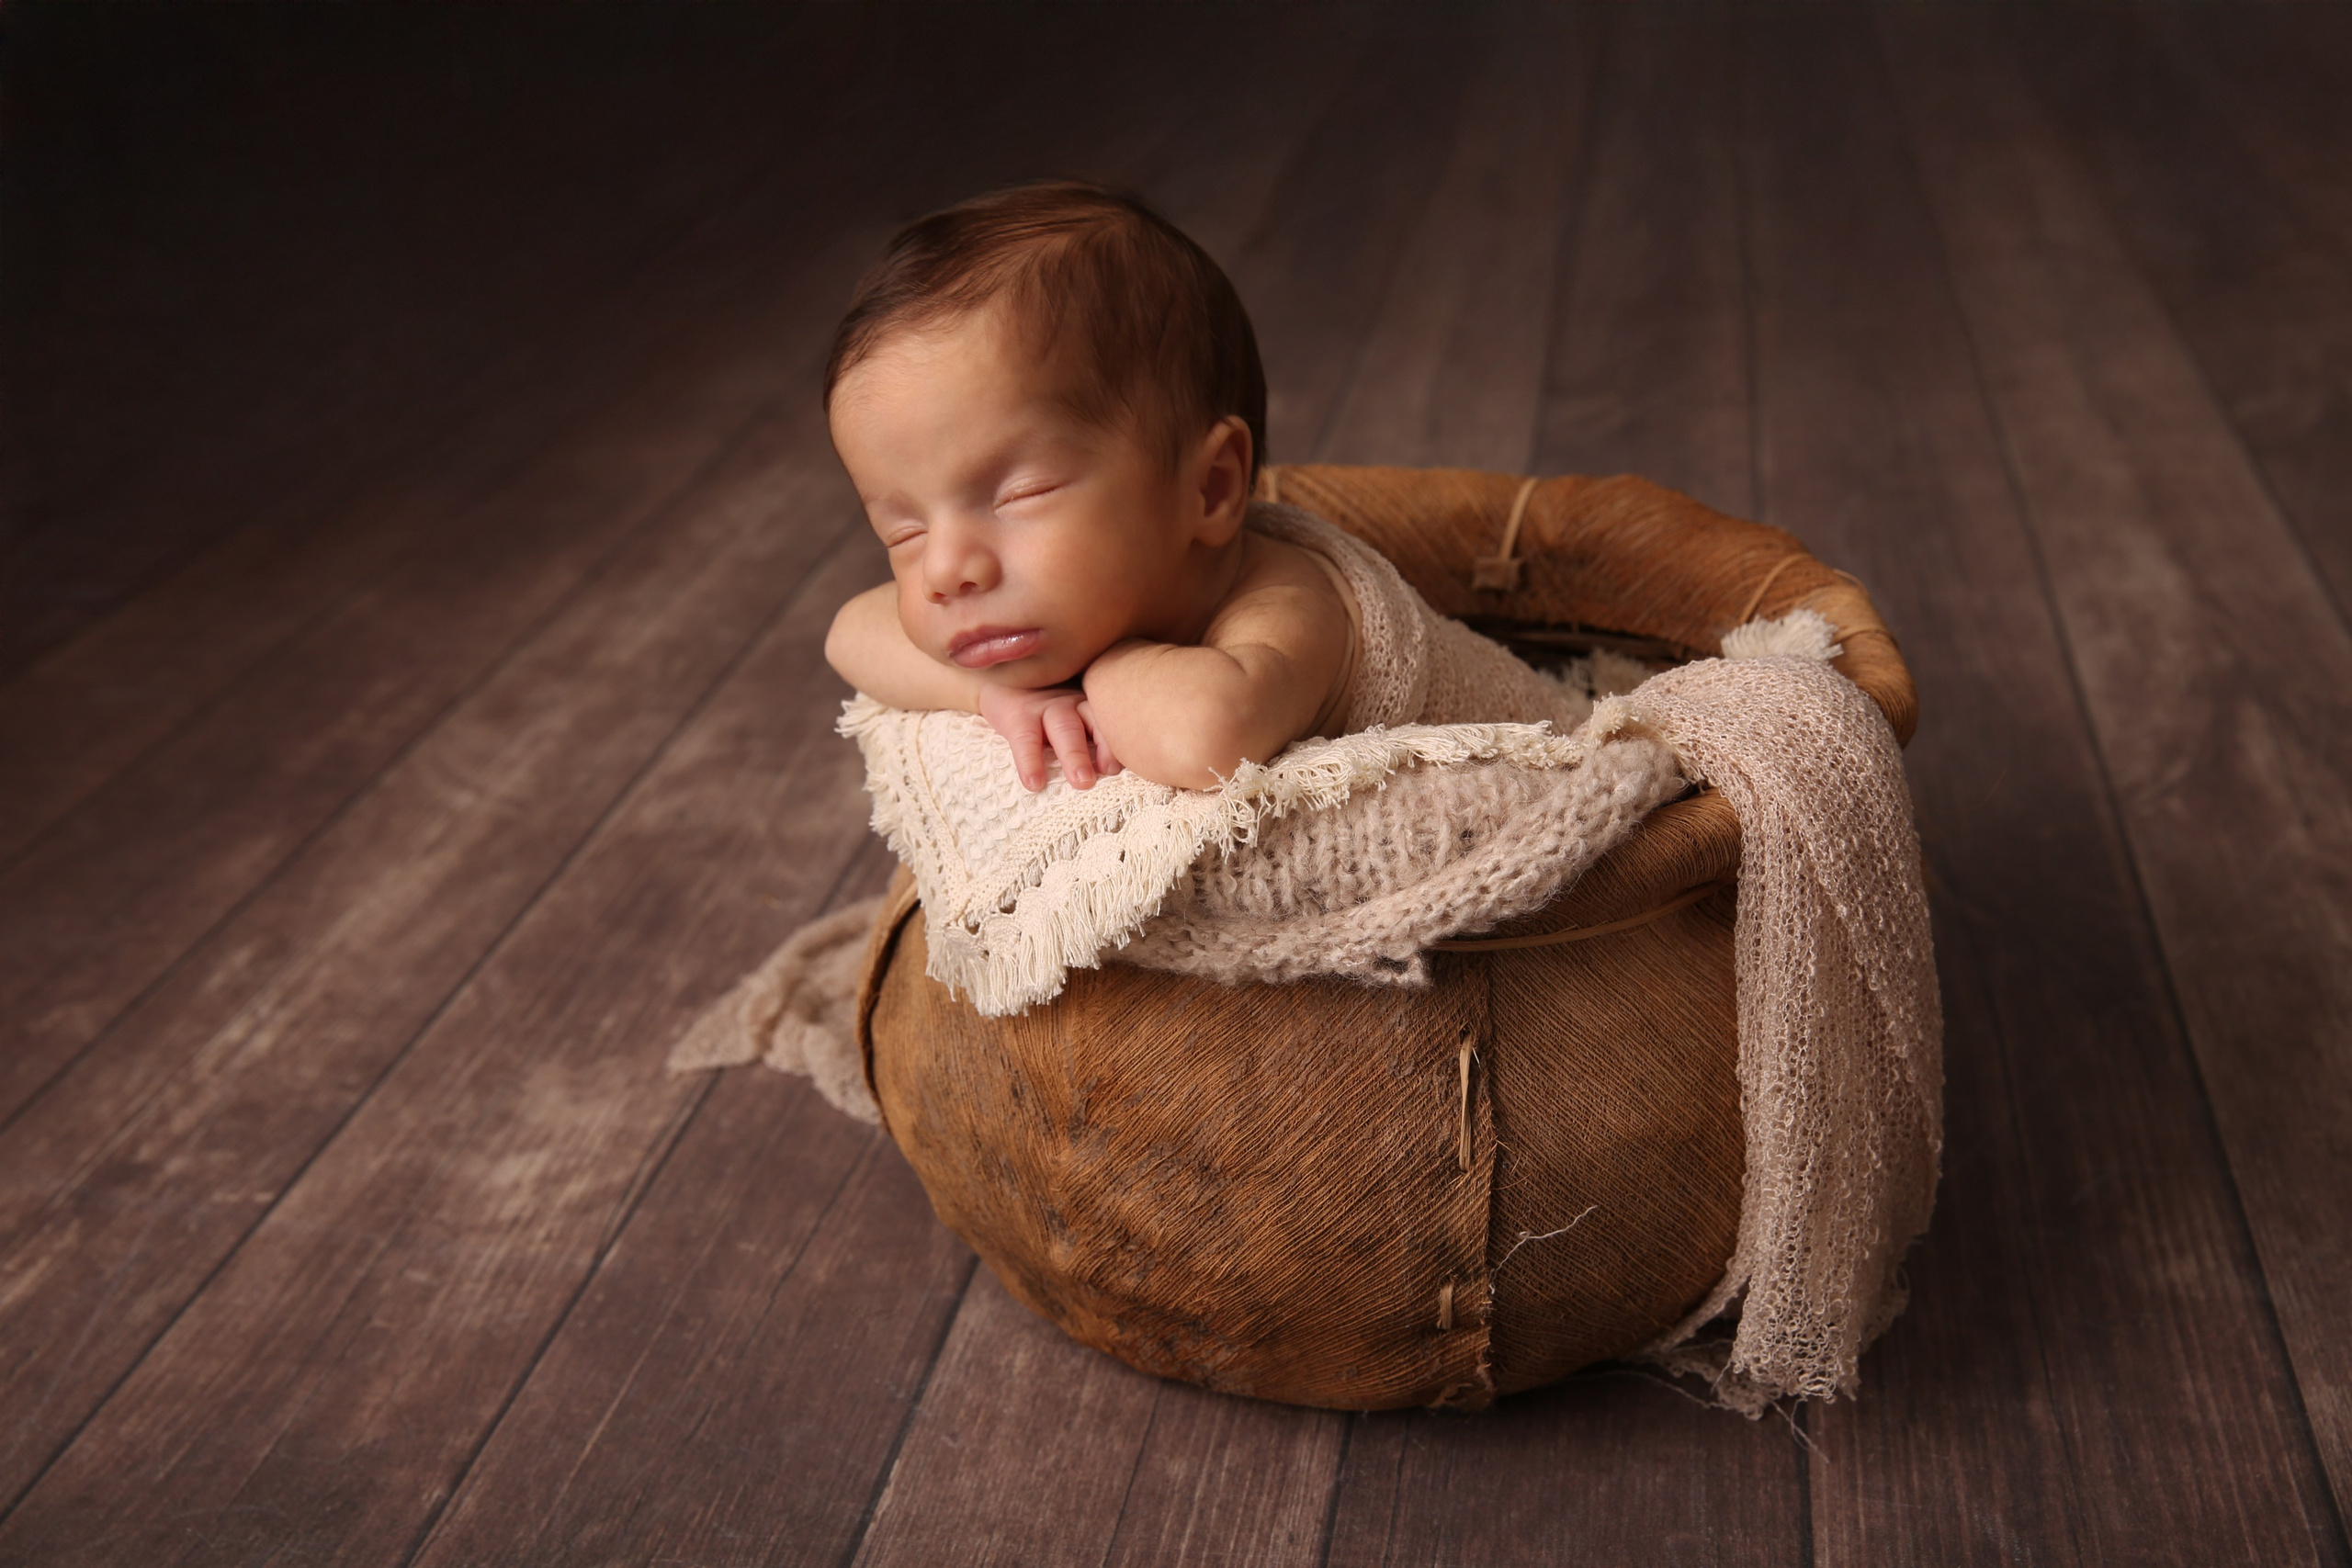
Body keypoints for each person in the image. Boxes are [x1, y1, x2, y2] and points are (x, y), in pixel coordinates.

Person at [821, 179, 1357, 792]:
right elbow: (849, 635)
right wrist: (989, 695)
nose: (942, 570)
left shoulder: (1285, 600)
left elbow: (1208, 735)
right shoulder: (1059, 602)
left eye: (1019, 495)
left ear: (1209, 487)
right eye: (904, 531)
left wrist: (1108, 664)